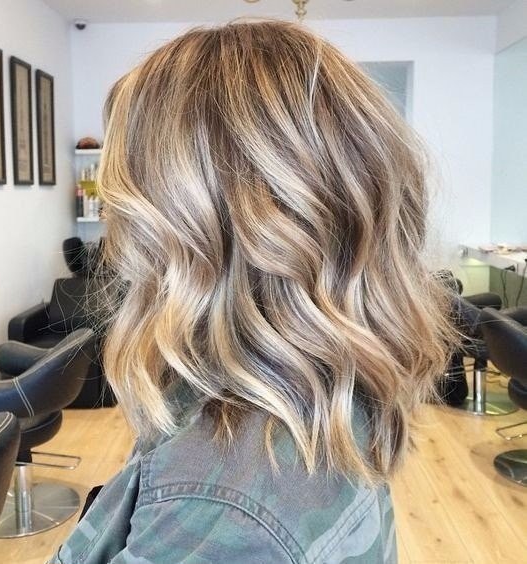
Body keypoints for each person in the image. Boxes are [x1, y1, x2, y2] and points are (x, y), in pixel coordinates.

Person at [49, 20, 457, 564]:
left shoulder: (223, 507)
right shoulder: (325, 385)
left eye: (127, 192)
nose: (114, 216)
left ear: (183, 219)